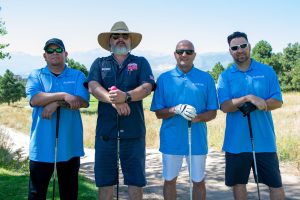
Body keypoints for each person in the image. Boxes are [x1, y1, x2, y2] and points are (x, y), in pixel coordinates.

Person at [84, 21, 155, 200]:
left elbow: (147, 86)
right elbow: (92, 86)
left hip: (133, 134)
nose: (120, 39)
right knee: (105, 184)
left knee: (136, 184)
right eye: (116, 36)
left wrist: (128, 97)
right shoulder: (99, 63)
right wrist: (113, 100)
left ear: (131, 41)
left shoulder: (141, 62)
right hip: (106, 135)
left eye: (125, 36)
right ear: (110, 42)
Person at [217, 31, 285, 200]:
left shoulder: (267, 71)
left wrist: (264, 103)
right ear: (230, 51)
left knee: (275, 185)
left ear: (249, 46)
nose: (239, 50)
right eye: (235, 47)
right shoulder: (225, 76)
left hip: (265, 141)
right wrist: (248, 98)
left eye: (243, 46)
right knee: (239, 184)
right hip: (235, 143)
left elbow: (278, 101)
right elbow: (225, 106)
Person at [150, 40, 218, 200]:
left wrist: (198, 117)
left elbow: (213, 112)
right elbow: (158, 113)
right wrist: (175, 109)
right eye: (180, 52)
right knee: (169, 180)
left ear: (194, 55)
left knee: (198, 181)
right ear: (175, 55)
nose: (184, 55)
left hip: (197, 140)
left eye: (188, 51)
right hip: (171, 140)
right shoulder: (165, 79)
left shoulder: (206, 78)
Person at [26, 38, 90, 200]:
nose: (54, 54)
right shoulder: (36, 75)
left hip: (69, 145)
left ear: (65, 54)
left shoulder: (77, 75)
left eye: (58, 50)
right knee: (36, 193)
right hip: (41, 145)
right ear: (44, 56)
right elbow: (35, 99)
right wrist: (63, 95)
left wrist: (55, 103)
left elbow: (81, 102)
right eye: (50, 51)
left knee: (69, 193)